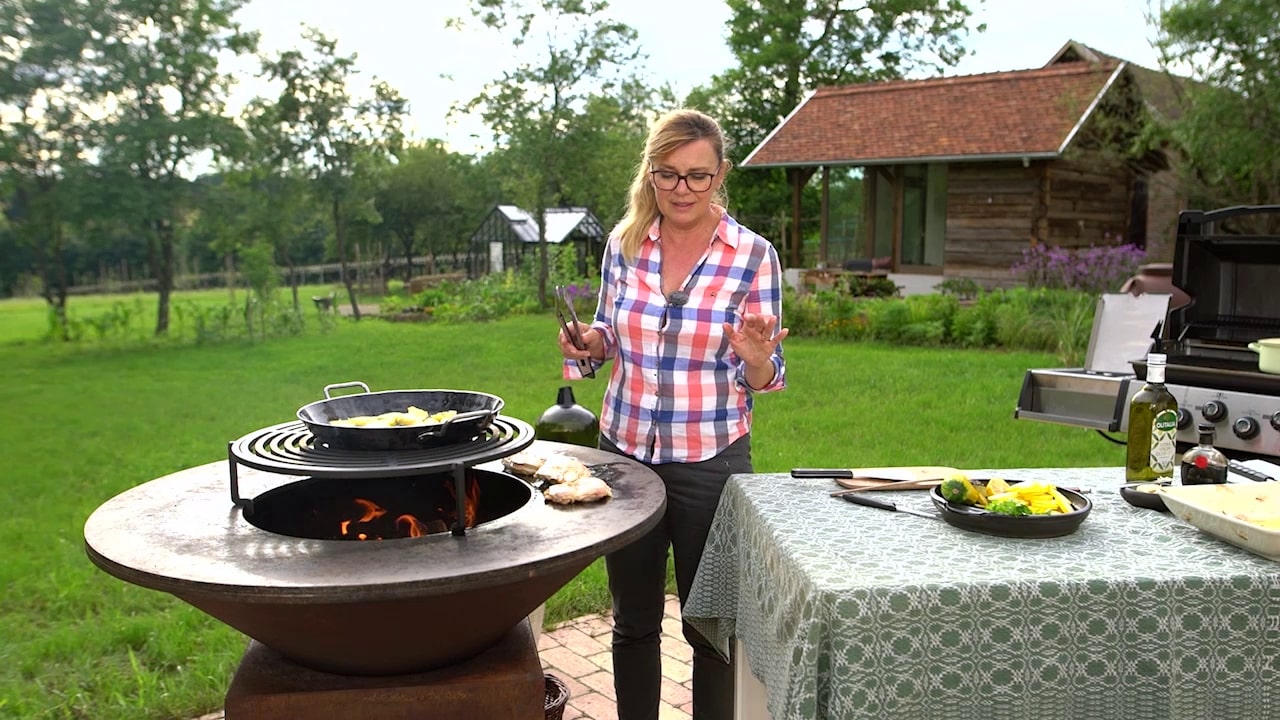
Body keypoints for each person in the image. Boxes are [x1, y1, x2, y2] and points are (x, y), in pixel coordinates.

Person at [557, 108, 788, 720]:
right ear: (651, 172)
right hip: (625, 454)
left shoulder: (752, 255)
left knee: (709, 626)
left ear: (721, 175)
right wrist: (591, 343)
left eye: (698, 176)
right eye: (669, 174)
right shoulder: (624, 242)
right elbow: (607, 334)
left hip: (709, 460)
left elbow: (767, 375)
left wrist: (758, 359)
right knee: (633, 621)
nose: (682, 189)